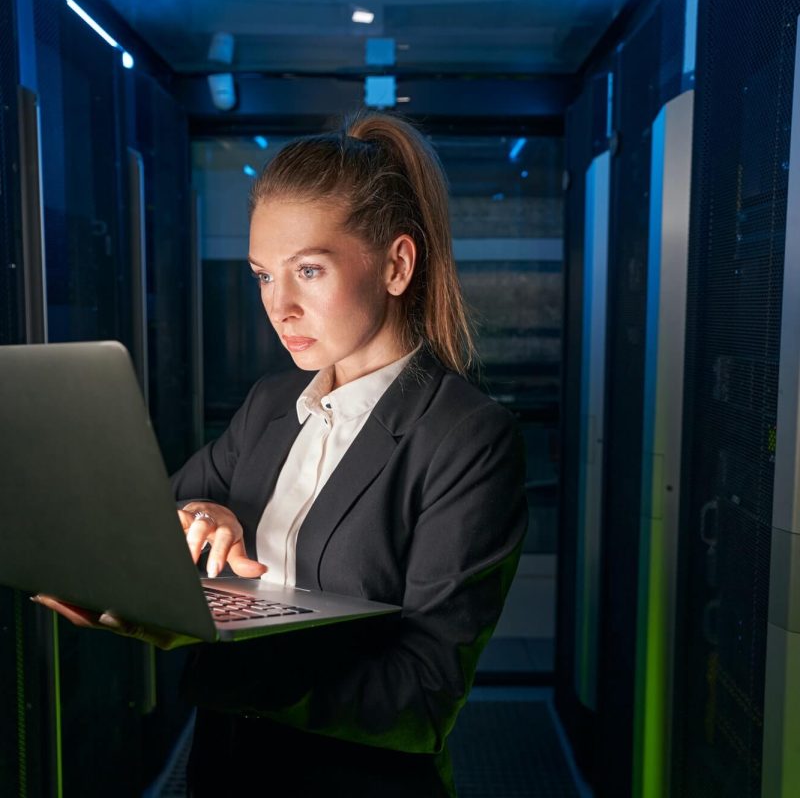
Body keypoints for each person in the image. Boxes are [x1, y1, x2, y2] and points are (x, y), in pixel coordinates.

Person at [38, 112, 527, 796]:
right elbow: (153, 522)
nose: (281, 306)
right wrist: (198, 512)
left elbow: (421, 699)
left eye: (309, 269)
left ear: (396, 265)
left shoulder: (466, 437)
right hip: (224, 774)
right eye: (265, 276)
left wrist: (220, 659)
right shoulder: (270, 404)